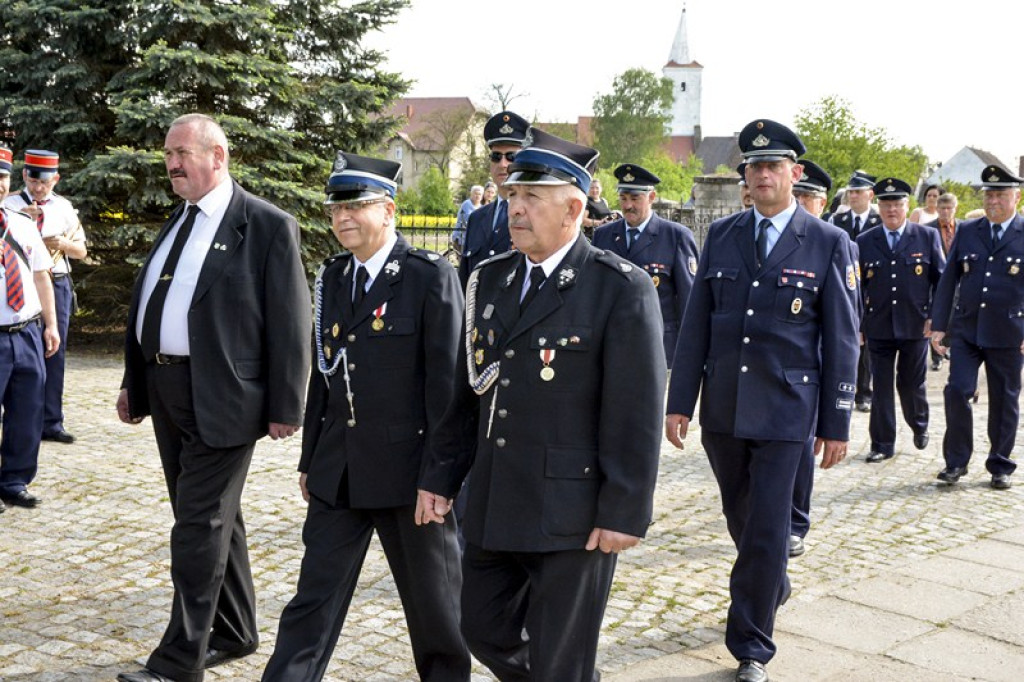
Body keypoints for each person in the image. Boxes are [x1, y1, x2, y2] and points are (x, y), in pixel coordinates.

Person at [417, 127, 666, 682]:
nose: (516, 209)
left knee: (561, 656)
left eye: (532, 198)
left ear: (575, 207)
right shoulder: (491, 279)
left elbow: (636, 410)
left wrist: (624, 510)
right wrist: (440, 476)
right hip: (495, 496)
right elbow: (467, 391)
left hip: (572, 510)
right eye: (512, 198)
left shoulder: (618, 287)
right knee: (478, 624)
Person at [115, 114, 311, 682]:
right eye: (167, 154)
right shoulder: (178, 220)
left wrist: (285, 406)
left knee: (197, 529)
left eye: (181, 152)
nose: (171, 164)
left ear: (217, 155)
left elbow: (290, 319)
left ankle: (179, 662)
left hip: (227, 397)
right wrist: (135, 379)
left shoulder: (266, 225)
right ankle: (236, 629)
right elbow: (151, 302)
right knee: (210, 517)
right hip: (167, 389)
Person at [262, 152, 469, 682]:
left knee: (435, 613)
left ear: (389, 210)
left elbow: (447, 388)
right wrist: (311, 459)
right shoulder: (332, 278)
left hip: (410, 478)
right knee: (312, 601)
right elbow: (323, 377)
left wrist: (440, 478)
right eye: (335, 209)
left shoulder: (428, 277)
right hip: (341, 470)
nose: (342, 219)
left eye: (356, 207)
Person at [665, 119, 858, 682]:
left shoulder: (827, 242)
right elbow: (697, 321)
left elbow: (843, 339)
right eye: (754, 166)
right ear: (745, 177)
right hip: (724, 406)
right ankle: (773, 579)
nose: (764, 175)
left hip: (785, 410)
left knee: (770, 526)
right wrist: (681, 401)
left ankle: (751, 644)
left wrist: (836, 422)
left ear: (795, 175)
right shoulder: (722, 235)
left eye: (774, 166)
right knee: (742, 518)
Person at [931, 165, 1024, 490]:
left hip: (1010, 332)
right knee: (957, 390)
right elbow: (949, 278)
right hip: (968, 330)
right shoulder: (969, 230)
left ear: (1016, 196)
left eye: (1000, 194)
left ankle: (1001, 464)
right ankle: (956, 461)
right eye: (988, 194)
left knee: (1004, 398)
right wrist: (939, 325)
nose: (993, 200)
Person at [857, 178, 945, 463]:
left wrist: (936, 317)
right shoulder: (865, 241)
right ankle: (882, 444)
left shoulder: (926, 237)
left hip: (915, 325)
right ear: (878, 206)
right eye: (885, 204)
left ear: (907, 206)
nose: (891, 209)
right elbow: (857, 289)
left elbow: (941, 281)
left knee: (910, 384)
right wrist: (858, 325)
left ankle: (919, 423)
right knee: (880, 386)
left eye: (897, 204)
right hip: (878, 326)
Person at [3, 149, 87, 444]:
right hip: (21, 282)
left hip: (58, 280)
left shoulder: (63, 207)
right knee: (23, 353)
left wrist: (63, 242)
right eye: (34, 181)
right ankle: (21, 417)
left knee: (55, 351)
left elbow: (82, 251)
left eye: (46, 182)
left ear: (56, 179)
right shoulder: (10, 203)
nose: (39, 188)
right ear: (24, 175)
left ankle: (51, 421)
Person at [0, 144, 60, 511]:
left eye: (2, 176)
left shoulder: (20, 224)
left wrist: (50, 325)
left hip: (26, 333)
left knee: (28, 410)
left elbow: (40, 276)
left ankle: (14, 481)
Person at [592, 163, 698, 367]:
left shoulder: (675, 236)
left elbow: (689, 299)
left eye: (635, 198)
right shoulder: (603, 235)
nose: (628, 205)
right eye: (623, 199)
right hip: (612, 346)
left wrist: (689, 351)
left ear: (651, 197)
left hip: (659, 346)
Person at [787, 158, 837, 559]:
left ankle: (795, 521)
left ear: (823, 203)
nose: (802, 205)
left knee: (802, 449)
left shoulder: (833, 241)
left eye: (809, 199)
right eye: (798, 197)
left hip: (812, 365)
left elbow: (840, 326)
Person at [457, 111, 528, 289]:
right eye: (496, 156)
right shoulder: (476, 218)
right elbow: (464, 281)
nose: (503, 164)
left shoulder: (534, 215)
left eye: (511, 156)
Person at [832, 170, 880, 413]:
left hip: (870, 289)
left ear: (870, 194)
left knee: (866, 346)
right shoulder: (838, 221)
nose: (853, 196)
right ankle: (845, 387)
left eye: (858, 192)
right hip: (843, 287)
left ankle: (864, 391)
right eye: (851, 191)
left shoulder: (878, 221)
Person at [925, 192, 960, 370]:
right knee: (936, 316)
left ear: (955, 208)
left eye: (949, 208)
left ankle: (954, 350)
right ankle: (937, 356)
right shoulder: (928, 229)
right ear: (937, 209)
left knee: (955, 317)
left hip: (958, 282)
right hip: (936, 282)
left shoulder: (964, 228)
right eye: (942, 208)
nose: (946, 212)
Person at [452, 184, 483, 250]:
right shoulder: (467, 204)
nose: (477, 196)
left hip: (472, 239)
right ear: (471, 194)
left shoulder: (481, 207)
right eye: (475, 194)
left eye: (479, 194)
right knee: (462, 258)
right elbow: (469, 219)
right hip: (461, 237)